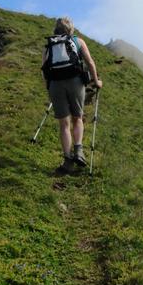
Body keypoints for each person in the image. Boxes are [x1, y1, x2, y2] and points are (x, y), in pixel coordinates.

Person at [42, 17, 102, 174]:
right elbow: (90, 62)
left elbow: (45, 70)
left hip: (56, 84)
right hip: (75, 82)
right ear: (71, 28)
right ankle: (79, 151)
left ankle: (67, 161)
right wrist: (96, 81)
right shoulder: (78, 41)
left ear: (56, 29)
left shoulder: (49, 45)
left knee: (64, 124)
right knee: (77, 117)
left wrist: (49, 87)